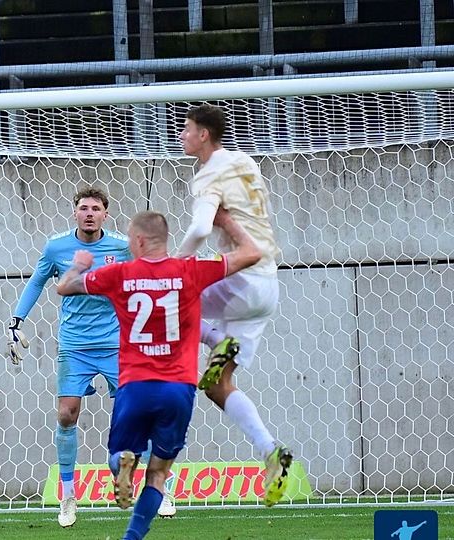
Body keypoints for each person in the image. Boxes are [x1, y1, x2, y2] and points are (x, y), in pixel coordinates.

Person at [56, 209, 262, 540]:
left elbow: (64, 288)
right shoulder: (190, 271)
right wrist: (225, 221)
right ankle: (132, 536)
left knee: (121, 454)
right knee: (159, 475)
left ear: (137, 240)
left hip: (135, 385)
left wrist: (79, 265)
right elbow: (252, 253)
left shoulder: (119, 273)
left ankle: (123, 462)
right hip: (178, 388)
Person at [7, 187, 176, 527]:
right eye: (83, 208)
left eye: (95, 208)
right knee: (67, 415)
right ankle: (68, 498)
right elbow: (37, 282)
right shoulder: (57, 248)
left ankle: (159, 487)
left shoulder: (119, 247)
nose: (89, 213)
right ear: (74, 213)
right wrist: (16, 320)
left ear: (105, 214)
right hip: (74, 346)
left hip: (117, 345)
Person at [177, 103, 294, 507]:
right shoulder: (245, 160)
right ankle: (270, 452)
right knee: (219, 386)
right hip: (267, 285)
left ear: (204, 135)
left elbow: (199, 227)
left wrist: (177, 267)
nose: (182, 135)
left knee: (169, 298)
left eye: (187, 129)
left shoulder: (207, 173)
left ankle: (213, 339)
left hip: (239, 279)